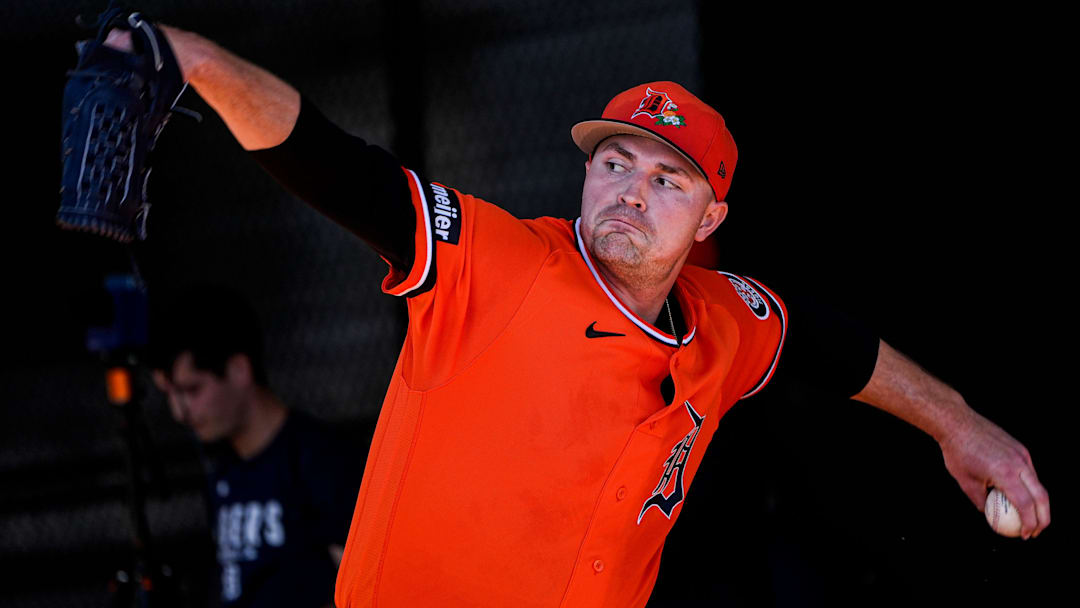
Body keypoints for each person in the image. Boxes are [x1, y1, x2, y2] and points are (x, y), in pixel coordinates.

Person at [107, 24, 1050, 608]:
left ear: (710, 219)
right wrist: (189, 60)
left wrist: (960, 426)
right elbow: (335, 166)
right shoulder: (502, 263)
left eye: (666, 178)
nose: (631, 192)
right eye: (614, 163)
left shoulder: (725, 320)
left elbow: (823, 340)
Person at [149, 285, 361, 608]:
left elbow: (361, 587)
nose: (180, 412)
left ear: (239, 370)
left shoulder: (320, 459)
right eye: (170, 396)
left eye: (192, 390)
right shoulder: (222, 473)